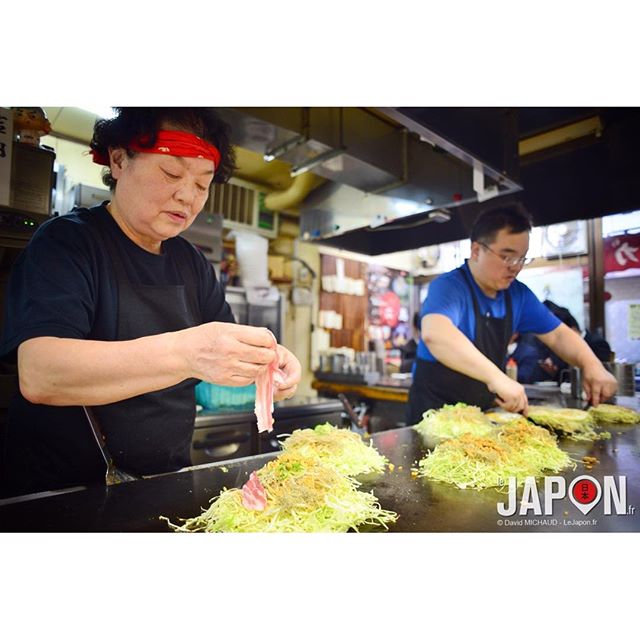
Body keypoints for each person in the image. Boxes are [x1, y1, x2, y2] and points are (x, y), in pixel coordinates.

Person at [0, 107, 301, 497]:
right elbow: (41, 374)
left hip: (164, 485)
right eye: (172, 174)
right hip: (63, 496)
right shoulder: (67, 243)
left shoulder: (191, 263)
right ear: (119, 159)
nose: (187, 196)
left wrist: (270, 362)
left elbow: (225, 353)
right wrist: (185, 353)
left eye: (202, 184)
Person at [407, 206, 617, 424]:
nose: (515, 268)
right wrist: (497, 377)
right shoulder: (449, 287)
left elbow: (558, 335)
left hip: (480, 418)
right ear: (476, 250)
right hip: (433, 418)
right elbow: (436, 335)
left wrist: (591, 364)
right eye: (507, 257)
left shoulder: (517, 295)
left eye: (522, 259)